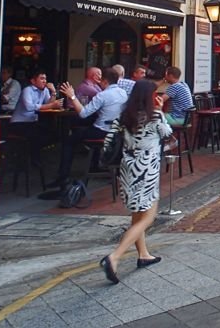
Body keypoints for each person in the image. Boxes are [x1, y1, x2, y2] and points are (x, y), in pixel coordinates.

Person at [99, 80, 173, 284]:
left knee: (137, 214)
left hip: (127, 168)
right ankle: (114, 257)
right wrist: (161, 111)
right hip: (147, 170)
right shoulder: (155, 116)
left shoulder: (124, 116)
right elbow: (168, 134)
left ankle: (143, 255)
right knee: (149, 217)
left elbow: (107, 143)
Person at [55, 67, 128, 184]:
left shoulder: (103, 95)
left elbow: (83, 113)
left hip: (102, 131)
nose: (100, 83)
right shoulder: (123, 93)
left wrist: (72, 96)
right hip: (116, 131)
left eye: (101, 80)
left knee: (69, 140)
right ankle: (94, 166)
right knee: (87, 128)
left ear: (105, 81)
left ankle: (63, 176)